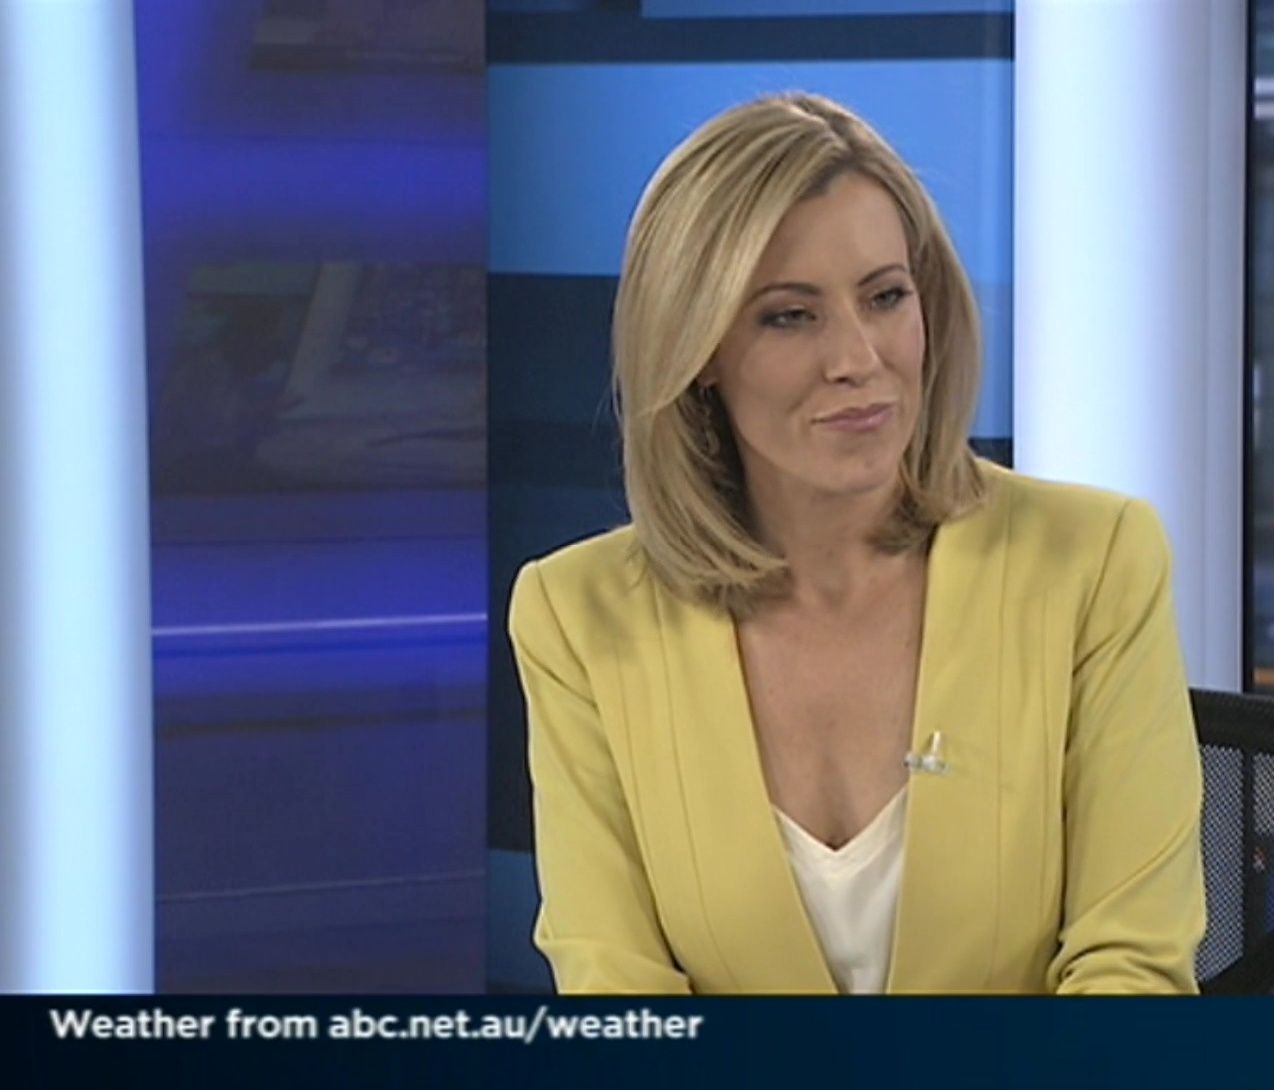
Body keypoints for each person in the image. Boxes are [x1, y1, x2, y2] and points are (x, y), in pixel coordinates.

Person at [508, 92, 1205, 995]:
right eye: (790, 316)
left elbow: (1131, 969)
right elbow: (617, 991)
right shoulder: (578, 618)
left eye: (884, 298)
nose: (860, 359)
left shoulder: (1094, 561)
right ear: (699, 347)